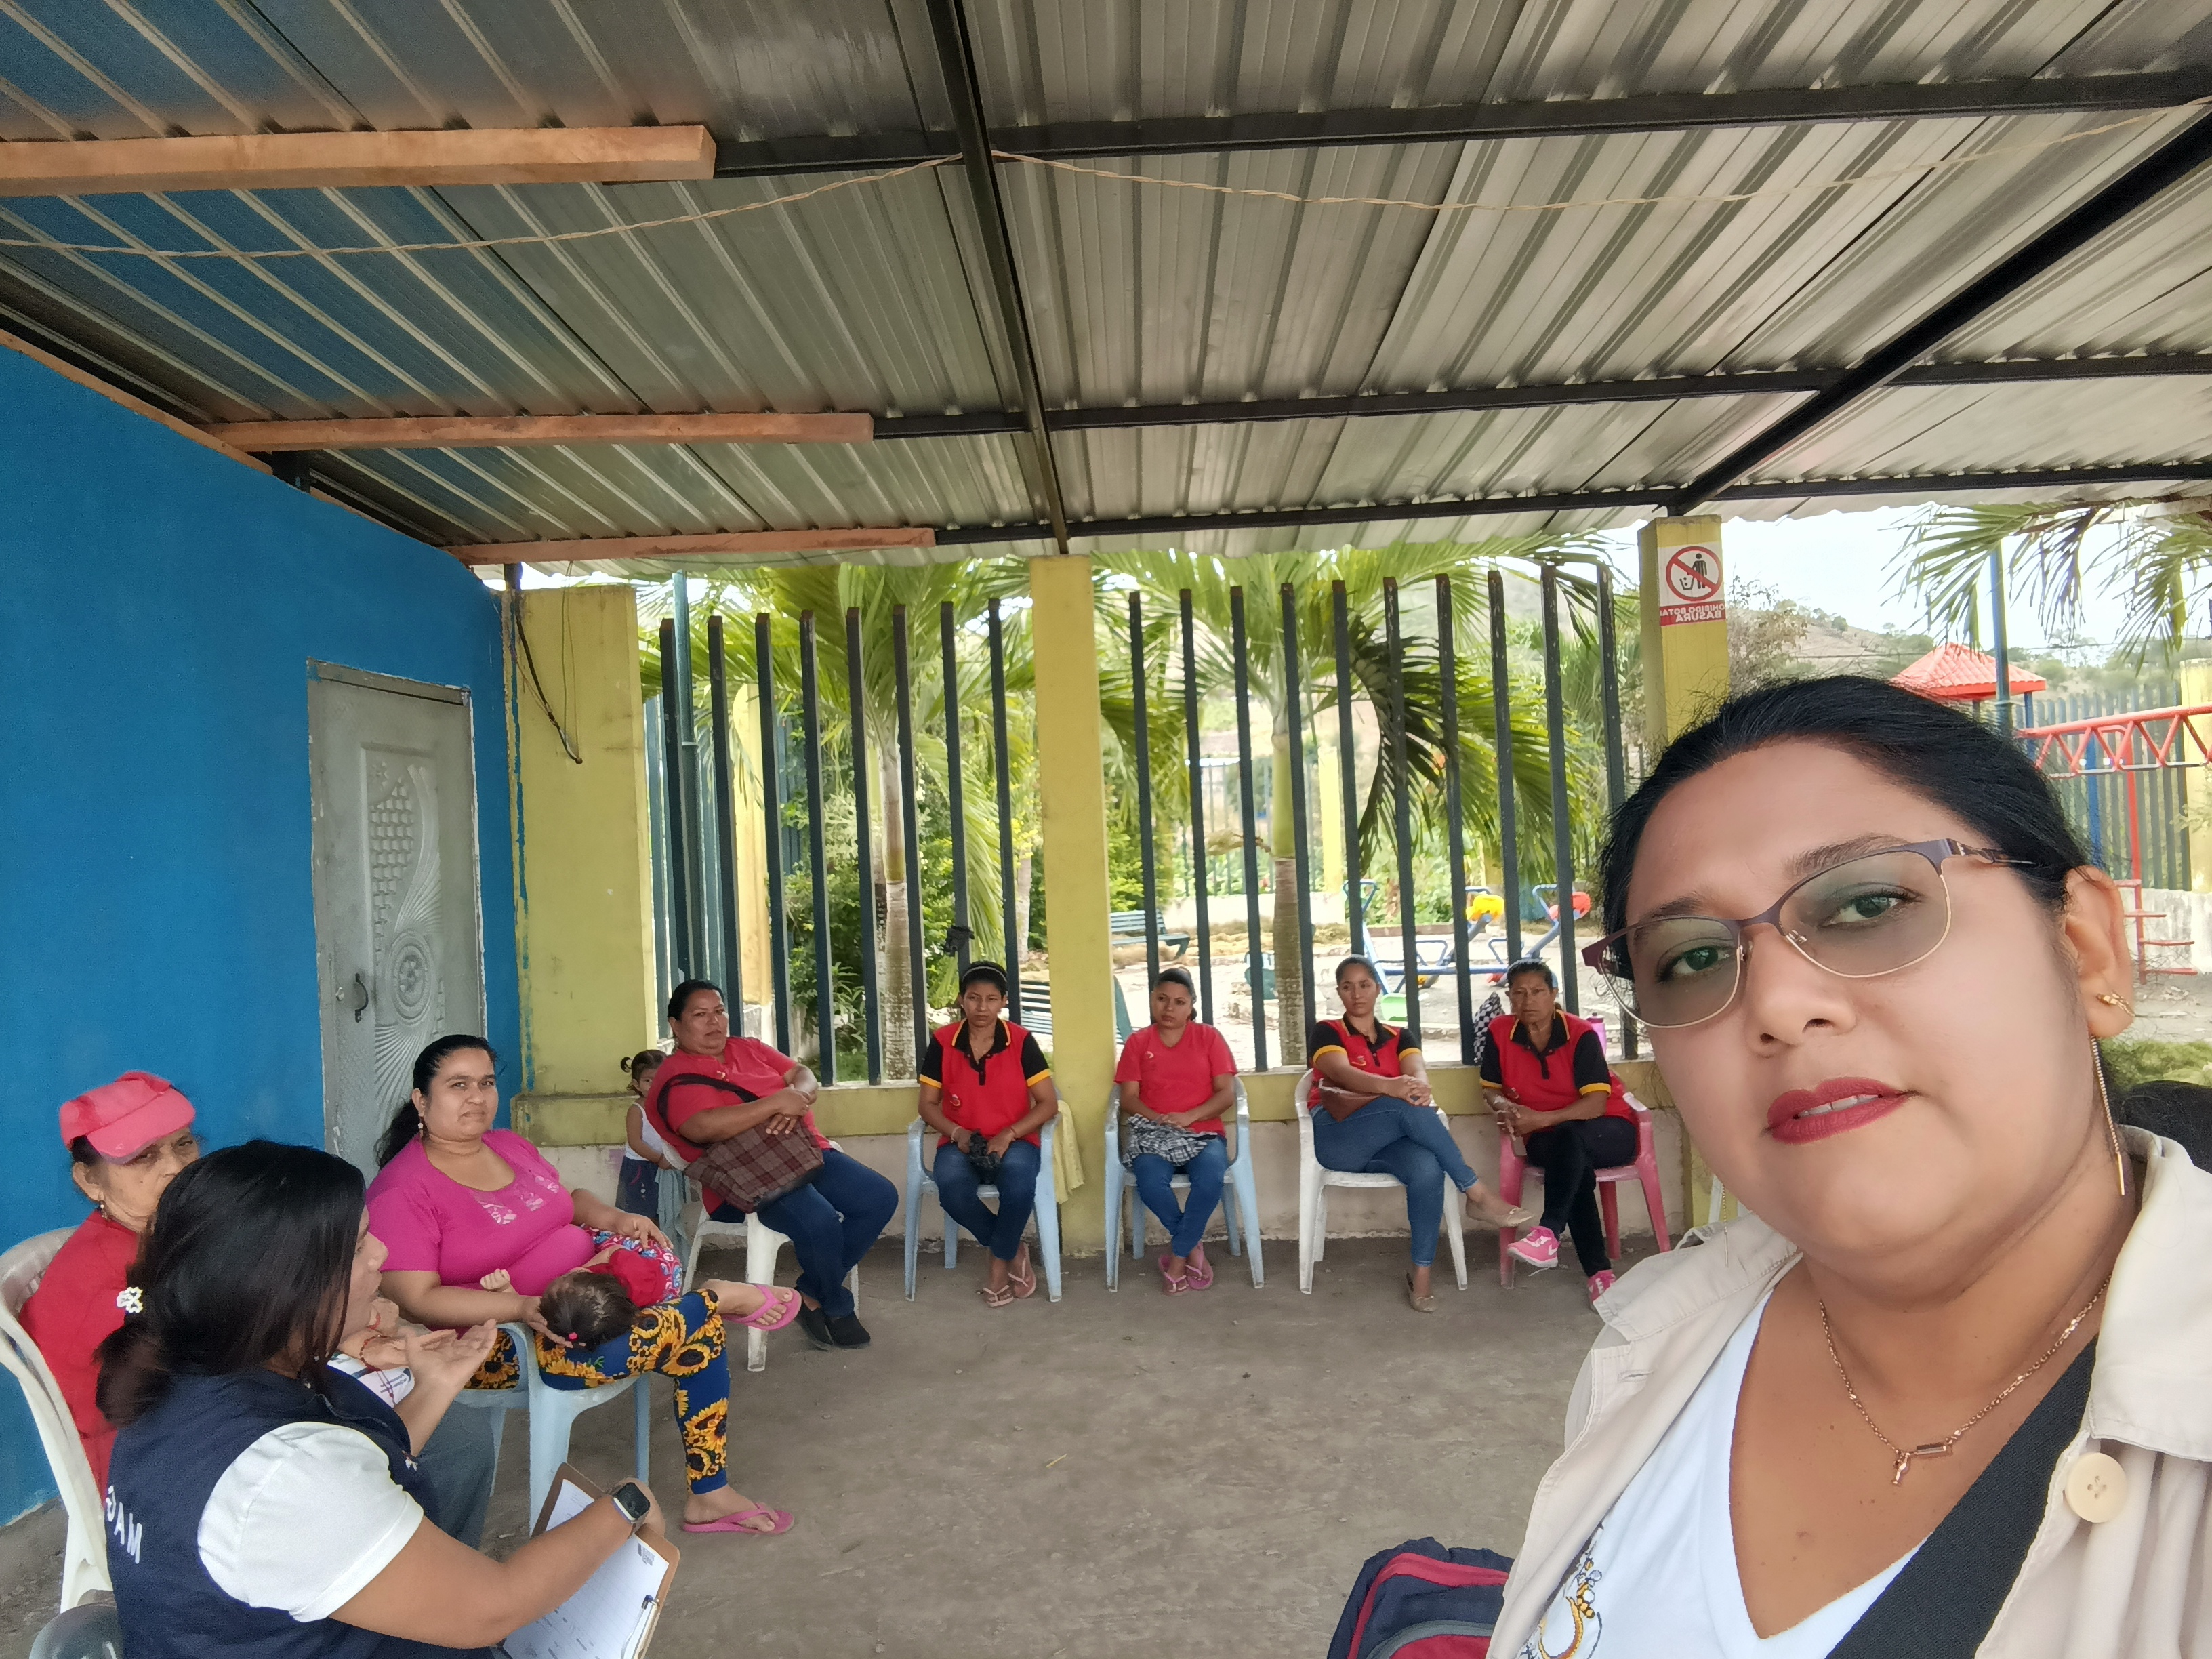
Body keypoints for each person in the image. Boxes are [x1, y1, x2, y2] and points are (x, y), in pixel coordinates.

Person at [1494, 676, 2212, 1658]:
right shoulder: (1654, 1346)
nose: (1779, 1005)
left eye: (1870, 903)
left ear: (2086, 952)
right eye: (1693, 960)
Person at [97, 1139, 661, 1657]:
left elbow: (347, 1480)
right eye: (360, 1245)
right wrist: (624, 1508)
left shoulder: (182, 1378)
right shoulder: (278, 1475)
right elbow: (493, 1608)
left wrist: (435, 1386)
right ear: (287, 1285)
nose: (382, 1254)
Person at [368, 1033, 795, 1537]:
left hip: (587, 1300)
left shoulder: (508, 1146)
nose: (477, 1098)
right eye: (458, 1085)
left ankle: (709, 1494)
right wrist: (522, 1306)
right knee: (694, 1328)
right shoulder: (403, 1189)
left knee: (690, 1330)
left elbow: (566, 1201)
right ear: (421, 1100)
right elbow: (416, 1299)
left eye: (485, 1083)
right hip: (501, 1342)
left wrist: (616, 1218)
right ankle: (716, 1300)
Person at [644, 979, 897, 1351]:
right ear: (675, 1025)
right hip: (743, 1179)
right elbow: (699, 1128)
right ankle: (836, 1304)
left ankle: (809, 1293)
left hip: (801, 1152)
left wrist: (798, 1096)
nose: (714, 1022)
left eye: (719, 1012)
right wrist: (776, 1104)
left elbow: (801, 1074)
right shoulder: (675, 1076)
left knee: (879, 1197)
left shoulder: (746, 1048)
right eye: (700, 1015)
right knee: (820, 1221)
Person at [1308, 956, 1532, 1312]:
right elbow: (1343, 1073)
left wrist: (1417, 1087)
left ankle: (1422, 1275)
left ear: (1377, 989)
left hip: (1388, 1142)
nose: (1357, 994)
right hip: (1340, 1137)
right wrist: (1393, 1087)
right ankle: (1477, 1192)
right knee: (1403, 1106)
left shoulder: (1400, 1035)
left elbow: (1417, 1075)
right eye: (1348, 987)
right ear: (1339, 992)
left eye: (1364, 985)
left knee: (1427, 1166)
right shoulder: (1327, 1030)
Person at [20, 1072, 199, 1490]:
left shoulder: (156, 1234)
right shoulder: (112, 1288)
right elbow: (135, 1407)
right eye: (143, 1156)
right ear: (90, 1181)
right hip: (139, 1468)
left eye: (184, 1144)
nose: (176, 1168)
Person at [1483, 958, 1639, 1303]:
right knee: (1571, 1162)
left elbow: (1596, 1105)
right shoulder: (1500, 1032)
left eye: (1538, 991)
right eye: (1519, 993)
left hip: (1608, 1129)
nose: (1528, 1001)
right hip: (1549, 1137)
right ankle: (1594, 1271)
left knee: (1571, 1145)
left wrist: (1540, 1119)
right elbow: (1490, 1089)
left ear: (1554, 994)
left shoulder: (1579, 1034)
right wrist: (1504, 1106)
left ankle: (1551, 1234)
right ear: (1509, 997)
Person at [918, 962, 1061, 1307]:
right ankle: (1013, 1249)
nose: (982, 1007)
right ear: (961, 1000)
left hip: (1016, 1140)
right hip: (960, 1140)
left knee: (1018, 1187)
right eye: (974, 998)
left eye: (991, 999)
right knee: (952, 1191)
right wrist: (958, 1133)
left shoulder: (1021, 1041)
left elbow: (1048, 1104)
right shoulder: (943, 1041)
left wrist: (1009, 1134)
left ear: (1004, 1002)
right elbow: (927, 1105)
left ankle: (998, 1267)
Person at [1113, 966, 1237, 1292]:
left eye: (1179, 1002)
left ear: (1192, 1005)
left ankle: (1179, 1256)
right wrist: (1157, 1118)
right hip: (1154, 1133)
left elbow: (1226, 1094)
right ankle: (1191, 1245)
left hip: (1203, 1132)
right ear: (1152, 999)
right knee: (1149, 1181)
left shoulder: (1209, 1038)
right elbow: (1129, 1098)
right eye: (1162, 999)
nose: (1169, 1008)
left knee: (1210, 1179)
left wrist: (1190, 1116)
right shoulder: (1138, 1042)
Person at [615, 1050, 674, 1219]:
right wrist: (659, 1159)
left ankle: (659, 1237)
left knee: (663, 1210)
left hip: (665, 1165)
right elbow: (635, 1142)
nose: (654, 1085)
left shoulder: (669, 1106)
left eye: (660, 1079)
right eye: (648, 1080)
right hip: (640, 1168)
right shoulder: (637, 1110)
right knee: (641, 1214)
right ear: (637, 1084)